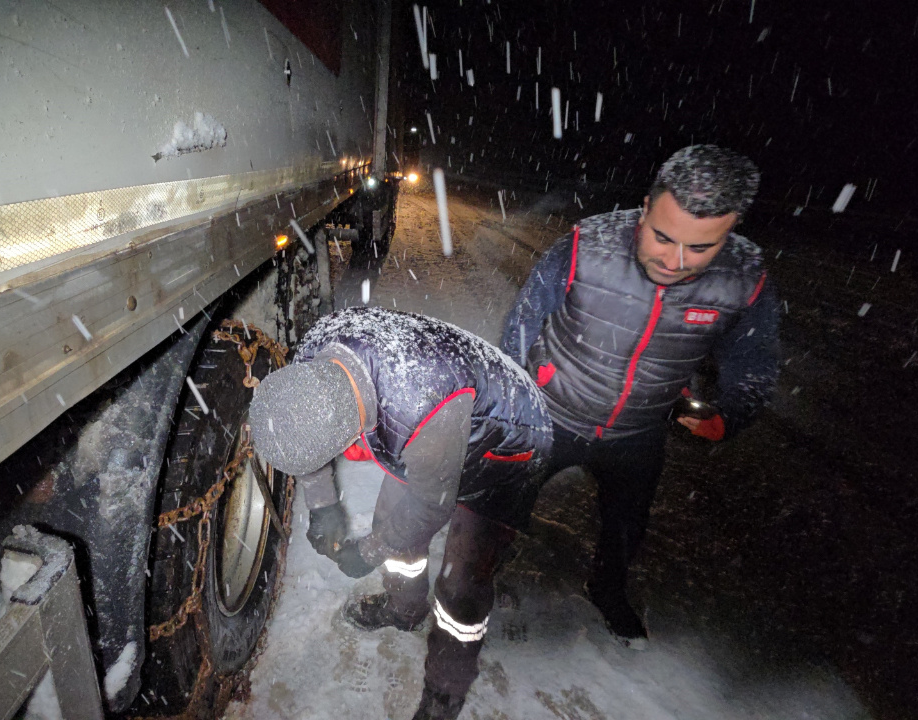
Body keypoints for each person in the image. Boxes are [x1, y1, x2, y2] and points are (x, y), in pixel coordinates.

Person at [501, 144, 781, 648]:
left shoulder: (746, 277)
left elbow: (755, 361)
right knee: (497, 501)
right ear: (645, 207)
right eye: (662, 237)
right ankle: (483, 568)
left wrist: (732, 414)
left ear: (731, 231)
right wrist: (515, 398)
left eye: (700, 249)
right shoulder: (589, 244)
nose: (674, 261)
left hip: (638, 431)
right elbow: (523, 320)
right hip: (551, 413)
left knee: (627, 524)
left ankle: (607, 590)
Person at [249, 306, 552, 720]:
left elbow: (432, 505)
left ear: (352, 431)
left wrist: (368, 552)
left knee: (460, 590)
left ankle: (443, 698)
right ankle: (405, 610)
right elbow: (307, 444)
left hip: (509, 444)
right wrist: (322, 507)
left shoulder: (419, 404)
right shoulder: (313, 363)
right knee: (391, 524)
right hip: (434, 427)